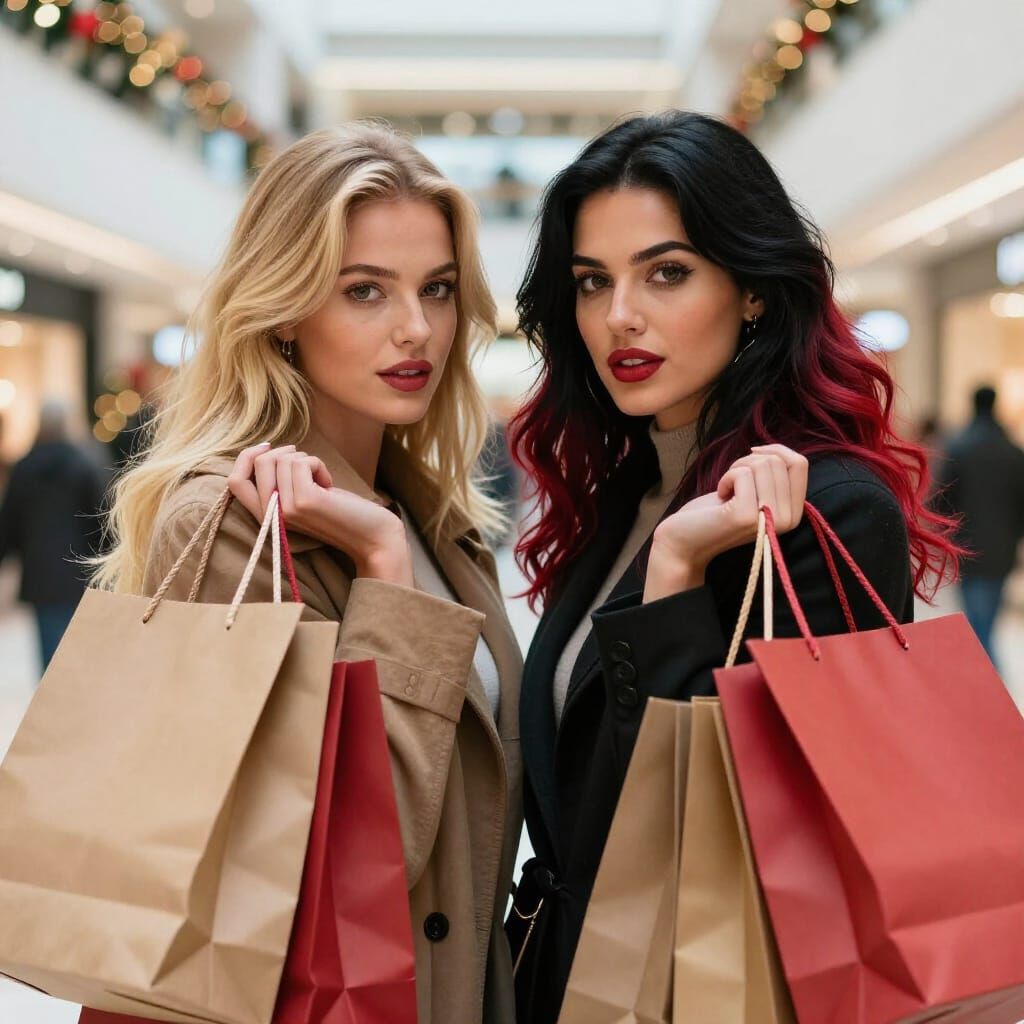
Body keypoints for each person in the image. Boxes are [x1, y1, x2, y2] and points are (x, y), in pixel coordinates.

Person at [504, 111, 960, 1024]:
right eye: (593, 282)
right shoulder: (621, 499)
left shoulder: (822, 508)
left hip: (709, 990)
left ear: (752, 290)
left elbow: (734, 825)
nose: (618, 315)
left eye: (666, 273)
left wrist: (677, 566)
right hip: (569, 978)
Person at [92, 125, 523, 1024]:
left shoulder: (434, 521)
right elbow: (349, 861)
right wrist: (380, 569)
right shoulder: (231, 526)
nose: (417, 329)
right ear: (284, 307)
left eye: (437, 291)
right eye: (365, 291)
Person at [0, 399, 108, 672]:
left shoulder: (24, 468)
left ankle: (51, 705)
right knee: (77, 647)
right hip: (78, 570)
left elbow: (10, 522)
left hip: (39, 572)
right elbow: (99, 520)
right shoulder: (84, 465)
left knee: (49, 651)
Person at [937, 385, 1024, 667]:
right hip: (1003, 549)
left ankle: (988, 686)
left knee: (977, 624)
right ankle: (988, 685)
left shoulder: (958, 447)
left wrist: (942, 539)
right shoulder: (1013, 452)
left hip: (967, 547)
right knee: (985, 621)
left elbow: (942, 502)